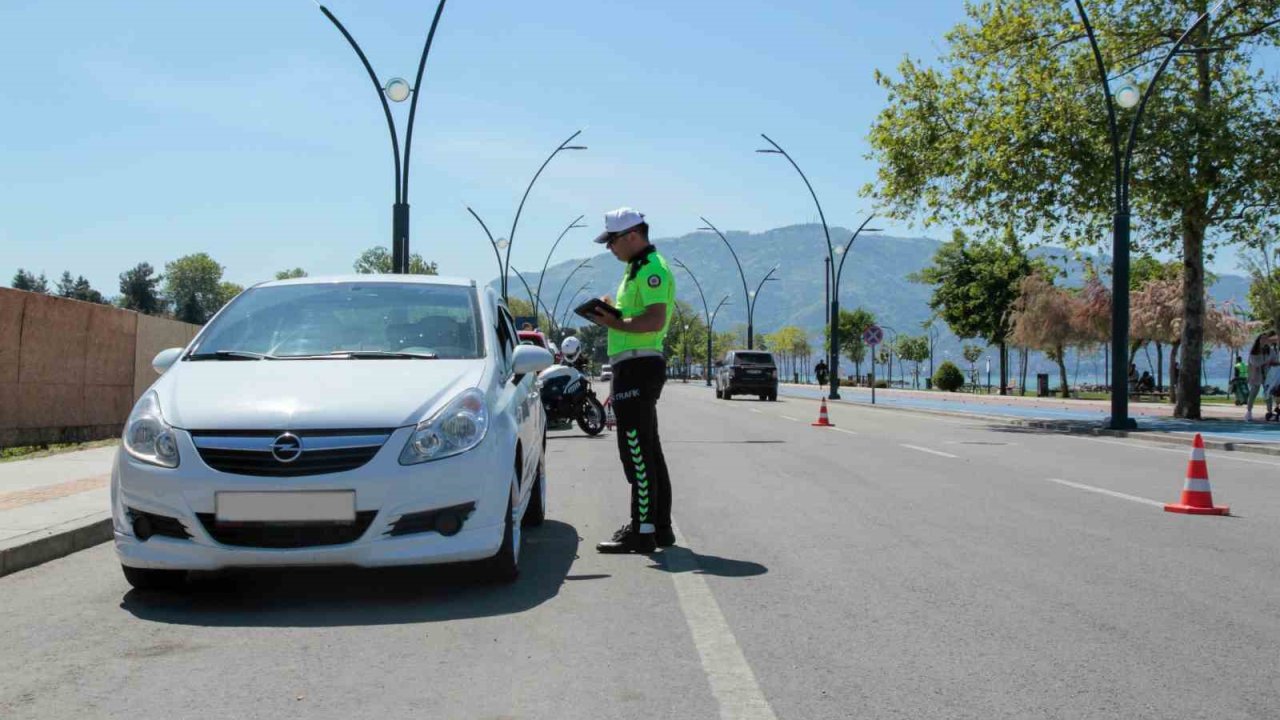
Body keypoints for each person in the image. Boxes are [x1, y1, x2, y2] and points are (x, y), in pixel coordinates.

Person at [586, 208, 676, 553]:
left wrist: (614, 323)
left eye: (612, 241)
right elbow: (635, 315)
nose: (609, 248)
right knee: (649, 451)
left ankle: (642, 532)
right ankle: (660, 528)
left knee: (635, 452)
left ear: (632, 236)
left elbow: (654, 320)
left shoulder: (652, 269)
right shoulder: (635, 270)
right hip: (633, 366)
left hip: (639, 368)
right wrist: (613, 311)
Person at [1246, 333, 1279, 422]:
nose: (1264, 340)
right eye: (1262, 338)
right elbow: (1254, 364)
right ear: (1259, 340)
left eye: (1266, 339)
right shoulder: (1254, 351)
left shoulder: (1270, 350)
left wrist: (1274, 363)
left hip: (1267, 375)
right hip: (1256, 375)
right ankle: (1248, 412)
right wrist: (1266, 363)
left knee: (1268, 393)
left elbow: (1275, 361)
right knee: (1253, 393)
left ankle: (1269, 412)